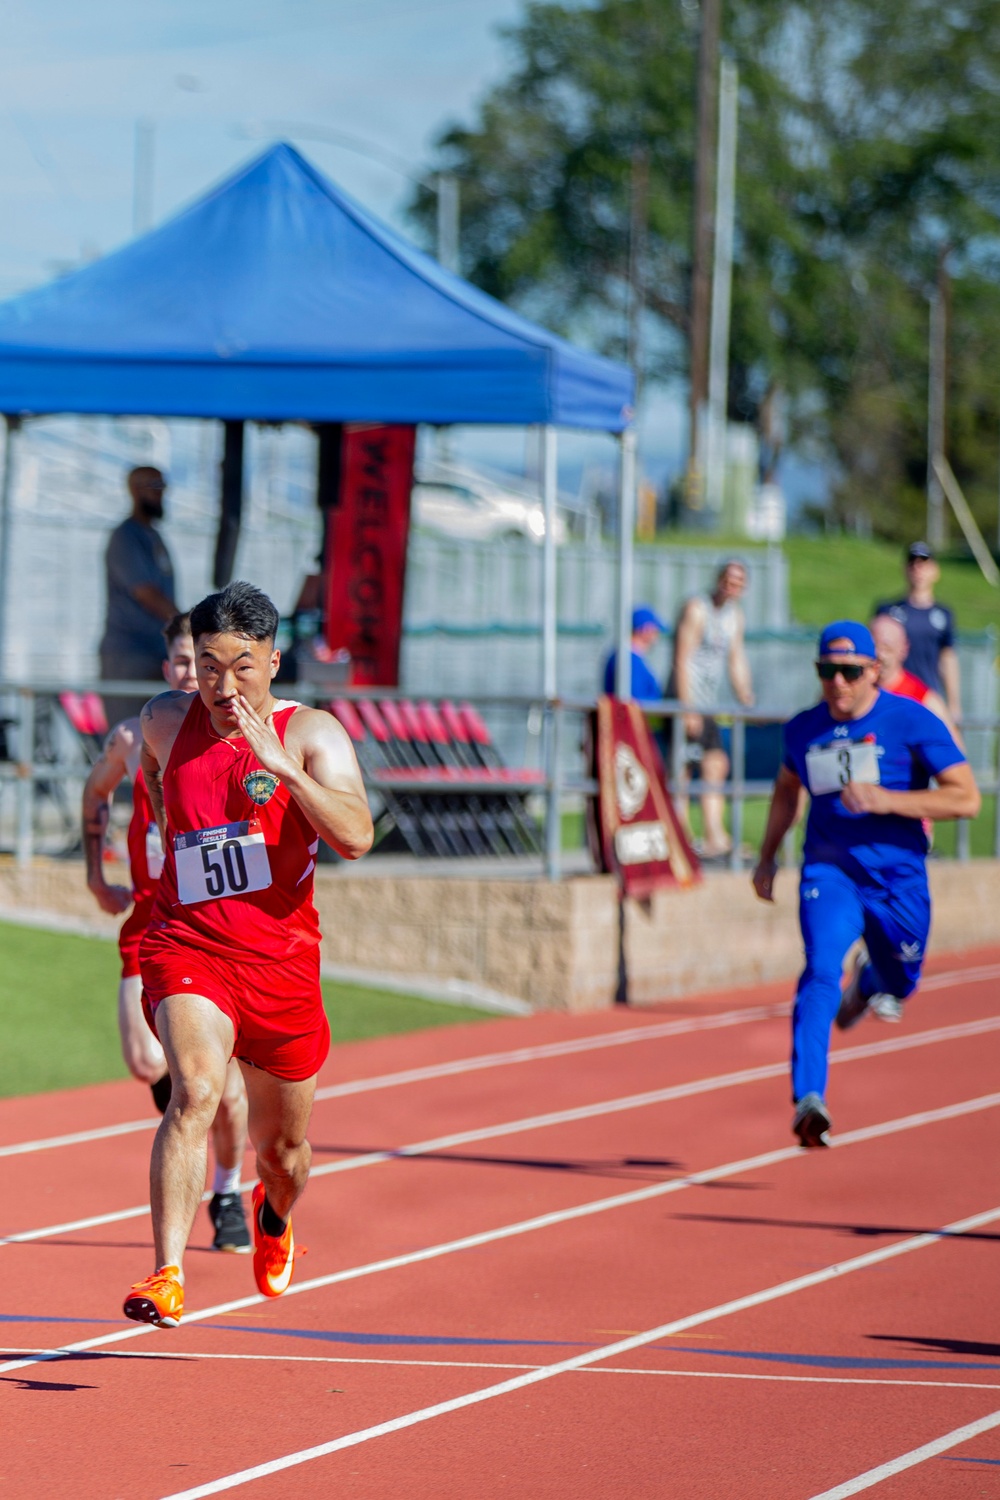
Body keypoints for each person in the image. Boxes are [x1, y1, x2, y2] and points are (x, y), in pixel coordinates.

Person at [123, 580, 373, 1328]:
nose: (222, 686)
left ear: (271, 659)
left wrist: (287, 771)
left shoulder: (315, 734)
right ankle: (167, 1272)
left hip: (282, 965)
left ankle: (273, 1216)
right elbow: (158, 794)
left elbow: (357, 836)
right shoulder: (163, 724)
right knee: (195, 1091)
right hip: (191, 945)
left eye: (240, 667)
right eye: (206, 666)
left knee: (285, 1152)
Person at [751, 620, 978, 1149]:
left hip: (898, 880)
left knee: (902, 980)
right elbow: (788, 789)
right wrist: (767, 856)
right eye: (827, 672)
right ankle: (810, 1097)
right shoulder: (802, 730)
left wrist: (887, 801)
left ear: (874, 670)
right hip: (829, 874)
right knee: (820, 969)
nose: (838, 684)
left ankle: (871, 985)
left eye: (850, 672)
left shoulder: (912, 720)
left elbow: (966, 798)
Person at [83, 613, 251, 1253]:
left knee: (230, 1100)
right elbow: (94, 794)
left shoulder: (231, 736)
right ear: (167, 669)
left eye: (200, 665)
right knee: (147, 1060)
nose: (189, 675)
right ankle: (189, 1104)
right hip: (150, 921)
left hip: (216, 932)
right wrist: (97, 875)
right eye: (181, 664)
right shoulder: (135, 736)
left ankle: (229, 1189)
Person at [666, 559, 754, 857]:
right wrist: (686, 706)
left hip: (708, 704)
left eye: (738, 582)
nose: (732, 586)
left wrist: (744, 693)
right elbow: (681, 658)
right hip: (686, 699)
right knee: (683, 768)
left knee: (716, 765)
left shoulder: (734, 617)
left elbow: (735, 658)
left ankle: (715, 835)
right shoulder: (697, 608)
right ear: (718, 579)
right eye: (728, 579)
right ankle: (680, 834)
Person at [99, 467, 179, 725]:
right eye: (153, 485)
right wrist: (188, 625)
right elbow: (146, 593)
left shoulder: (153, 535)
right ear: (134, 489)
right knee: (128, 731)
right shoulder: (126, 537)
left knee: (155, 735)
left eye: (162, 486)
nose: (160, 493)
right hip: (130, 655)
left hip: (156, 653)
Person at [875, 541, 961, 723]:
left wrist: (953, 703)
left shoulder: (943, 614)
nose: (917, 568)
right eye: (912, 562)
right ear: (905, 569)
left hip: (927, 698)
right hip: (894, 696)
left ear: (935, 570)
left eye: (924, 562)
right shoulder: (889, 611)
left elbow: (947, 658)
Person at [602, 606, 667, 702]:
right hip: (639, 715)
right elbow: (634, 700)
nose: (657, 636)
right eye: (656, 630)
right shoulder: (629, 661)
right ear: (646, 629)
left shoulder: (623, 656)